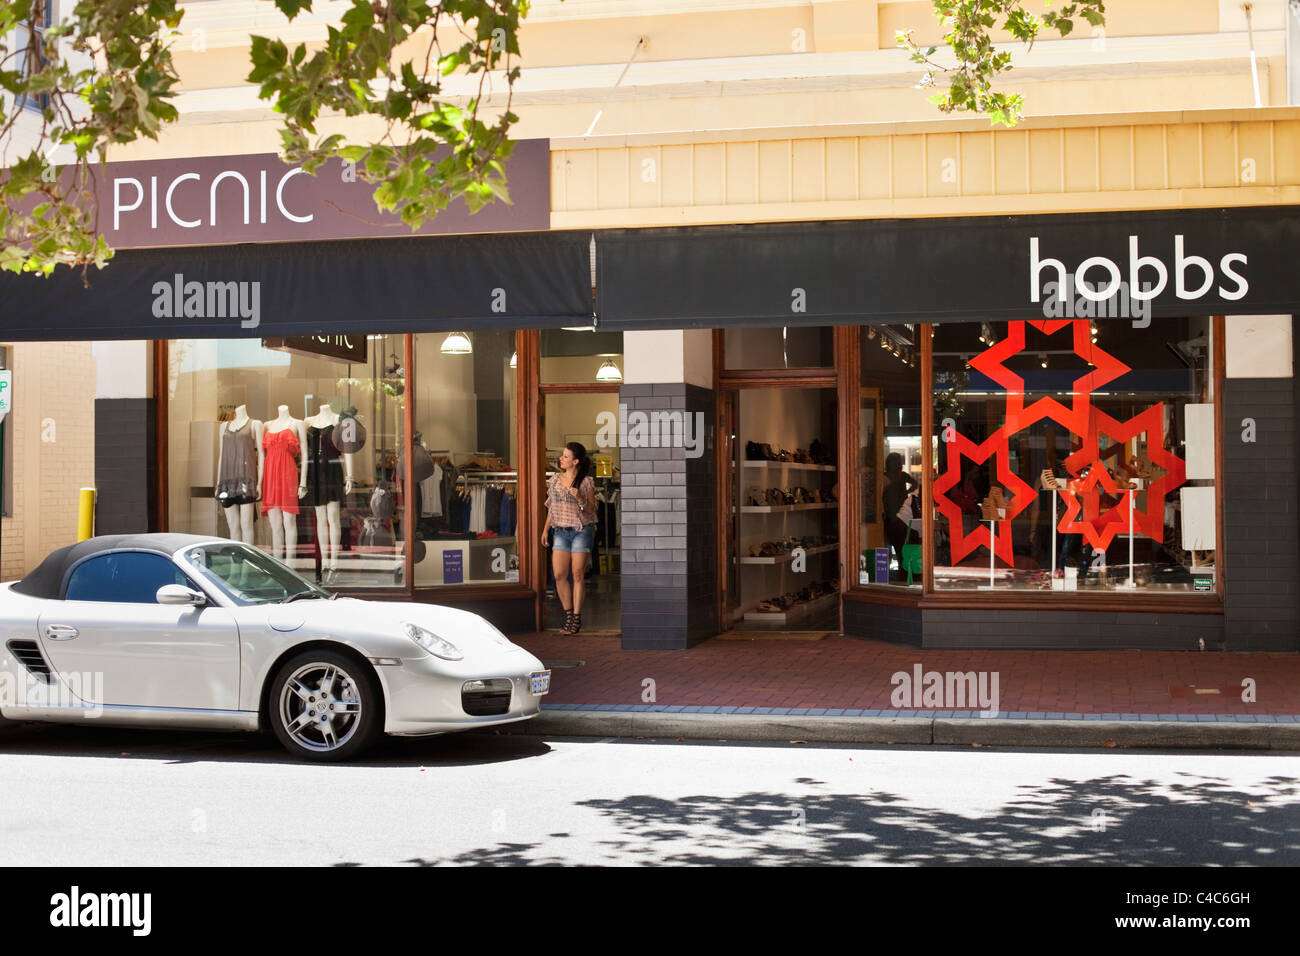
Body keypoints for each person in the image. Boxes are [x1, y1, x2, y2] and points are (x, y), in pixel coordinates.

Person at [541, 441, 596, 634]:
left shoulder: (586, 481)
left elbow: (590, 510)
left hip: (581, 530)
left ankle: (577, 619)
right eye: (562, 456)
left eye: (565, 456)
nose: (561, 459)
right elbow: (551, 507)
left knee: (578, 574)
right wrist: (545, 530)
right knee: (558, 575)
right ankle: (569, 614)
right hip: (560, 531)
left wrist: (579, 497)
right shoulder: (555, 479)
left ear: (575, 461)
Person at [882, 451, 919, 578]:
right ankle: (903, 570)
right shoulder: (900, 476)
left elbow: (915, 484)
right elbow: (915, 484)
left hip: (891, 514)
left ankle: (895, 570)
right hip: (900, 514)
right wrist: (907, 493)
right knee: (901, 543)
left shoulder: (885, 476)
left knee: (893, 543)